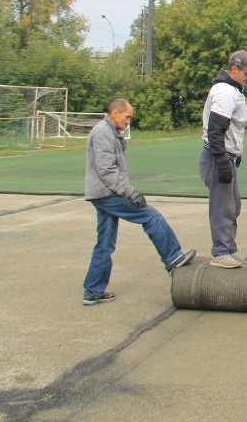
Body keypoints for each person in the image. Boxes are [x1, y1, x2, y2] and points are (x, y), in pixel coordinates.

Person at [83, 99, 196, 306]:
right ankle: (173, 258)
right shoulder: (102, 133)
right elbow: (107, 171)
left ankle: (93, 291)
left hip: (103, 193)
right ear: (115, 113)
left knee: (105, 243)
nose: (128, 121)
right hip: (107, 193)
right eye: (127, 117)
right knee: (150, 215)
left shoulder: (111, 133)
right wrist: (130, 192)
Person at [199, 50, 247, 268]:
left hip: (226, 155)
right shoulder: (225, 92)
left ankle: (229, 250)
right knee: (222, 207)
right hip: (217, 156)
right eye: (246, 73)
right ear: (233, 69)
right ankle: (220, 253)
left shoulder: (235, 90)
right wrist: (223, 160)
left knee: (232, 206)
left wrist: (235, 155)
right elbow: (216, 131)